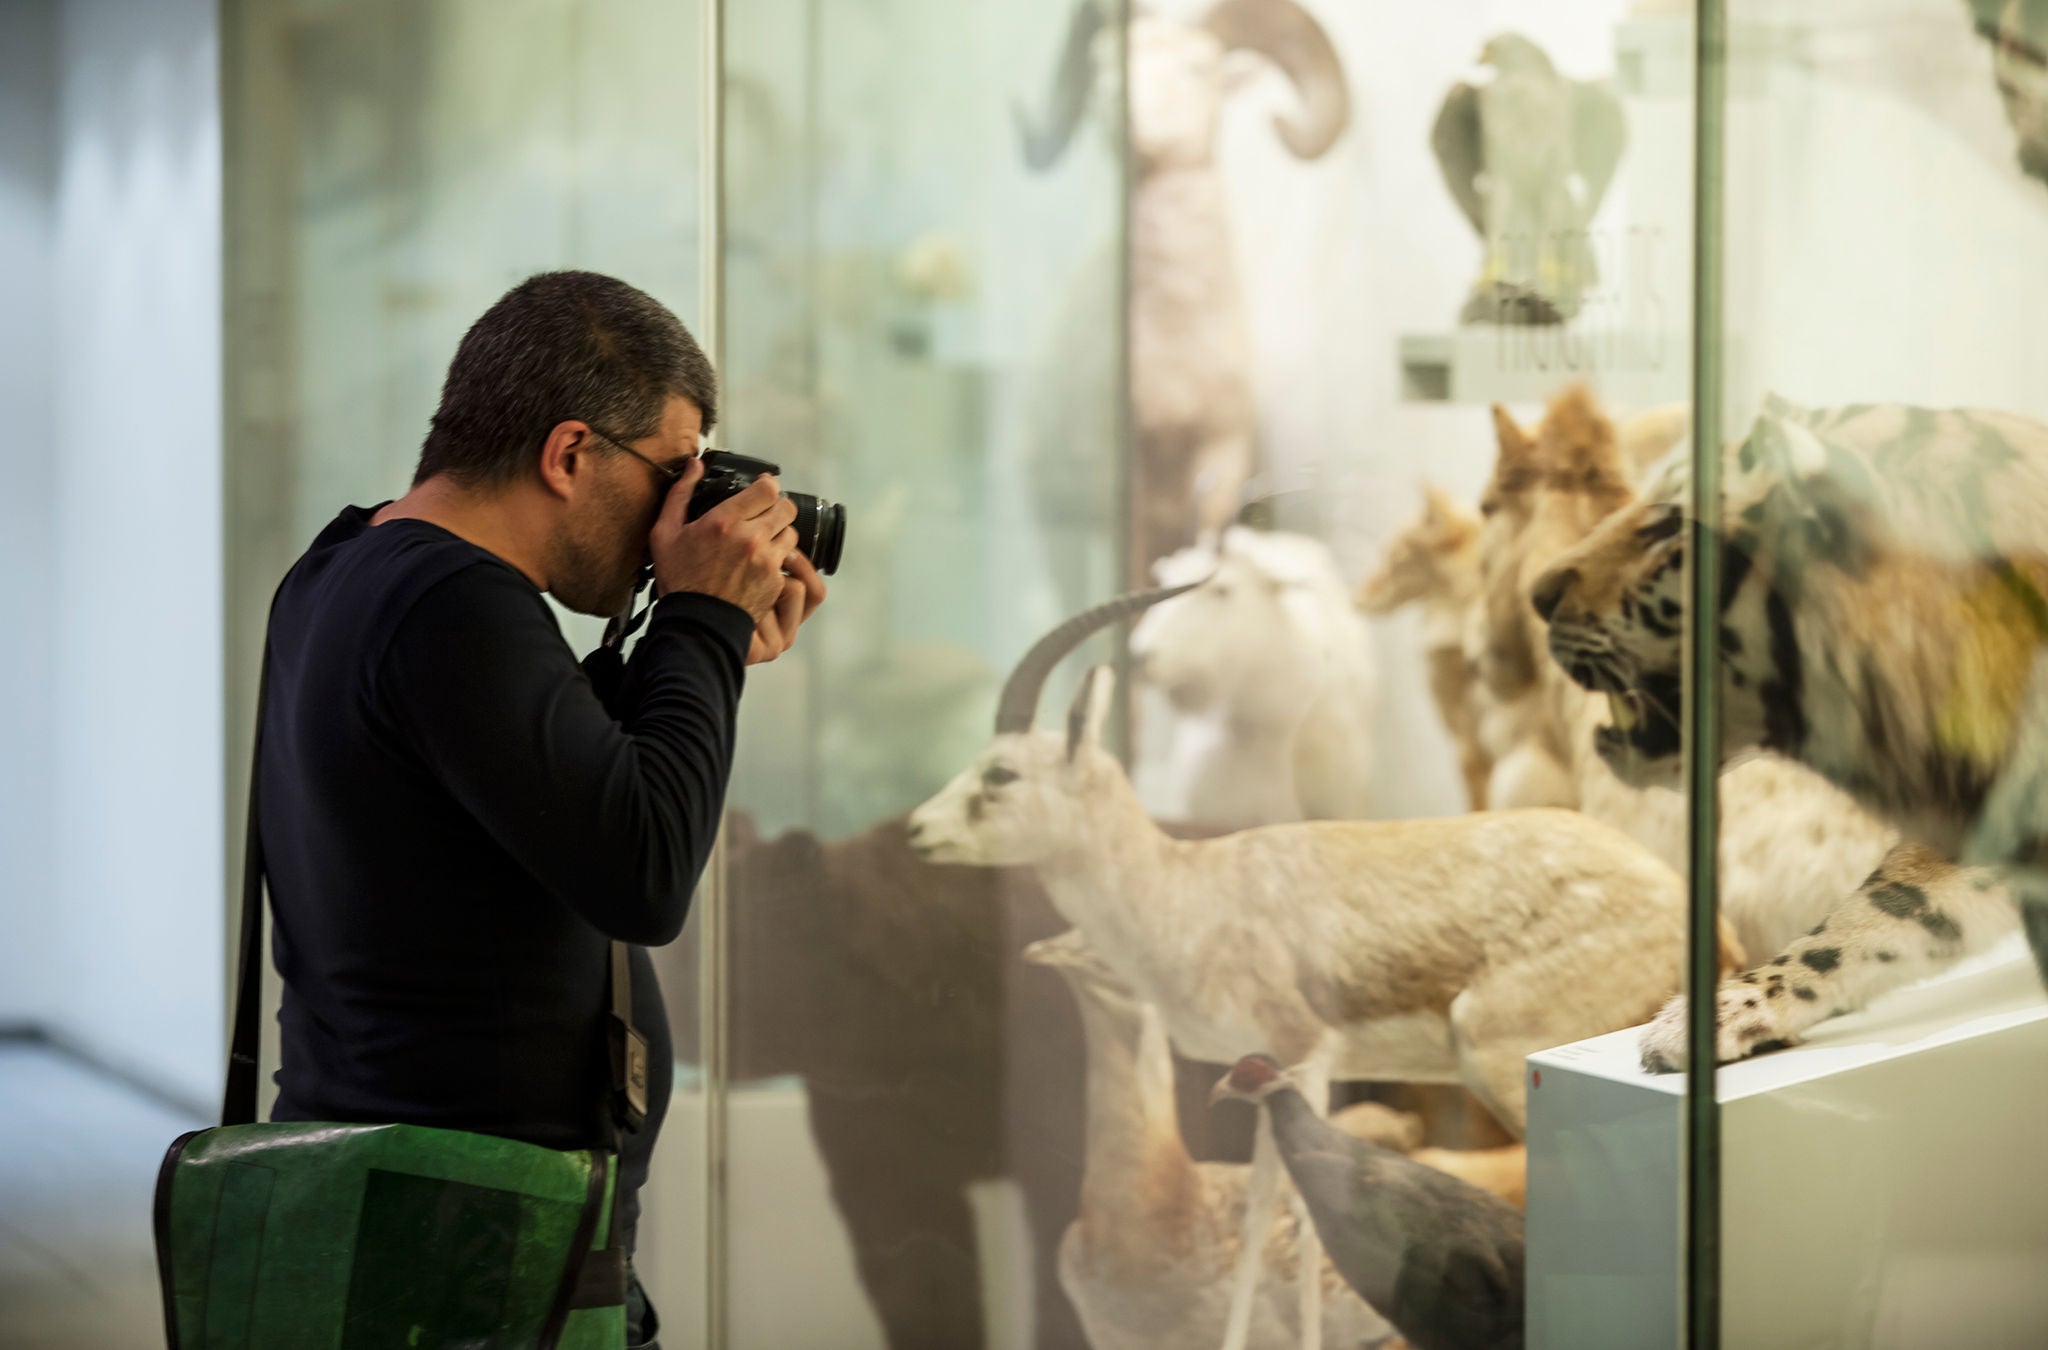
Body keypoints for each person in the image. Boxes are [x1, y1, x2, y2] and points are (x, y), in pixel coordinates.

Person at [256, 271, 824, 1348]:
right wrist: (698, 622)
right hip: (474, 1263)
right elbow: (642, 867)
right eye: (672, 471)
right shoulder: (452, 601)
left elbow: (534, 787)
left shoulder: (344, 566)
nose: (678, 511)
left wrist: (695, 643)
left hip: (419, 1218)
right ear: (568, 455)